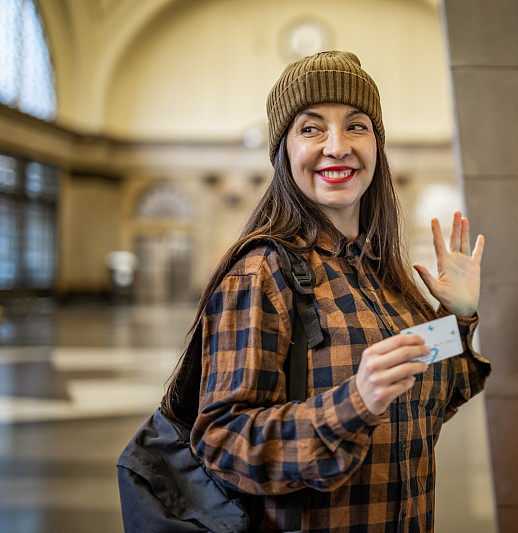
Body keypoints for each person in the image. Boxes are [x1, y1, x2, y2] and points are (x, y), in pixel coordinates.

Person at [161, 50, 491, 531]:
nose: (337, 147)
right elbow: (222, 442)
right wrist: (354, 402)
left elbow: (429, 398)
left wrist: (457, 318)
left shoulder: (383, 273)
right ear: (284, 151)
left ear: (377, 145)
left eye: (356, 126)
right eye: (311, 129)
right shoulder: (261, 274)